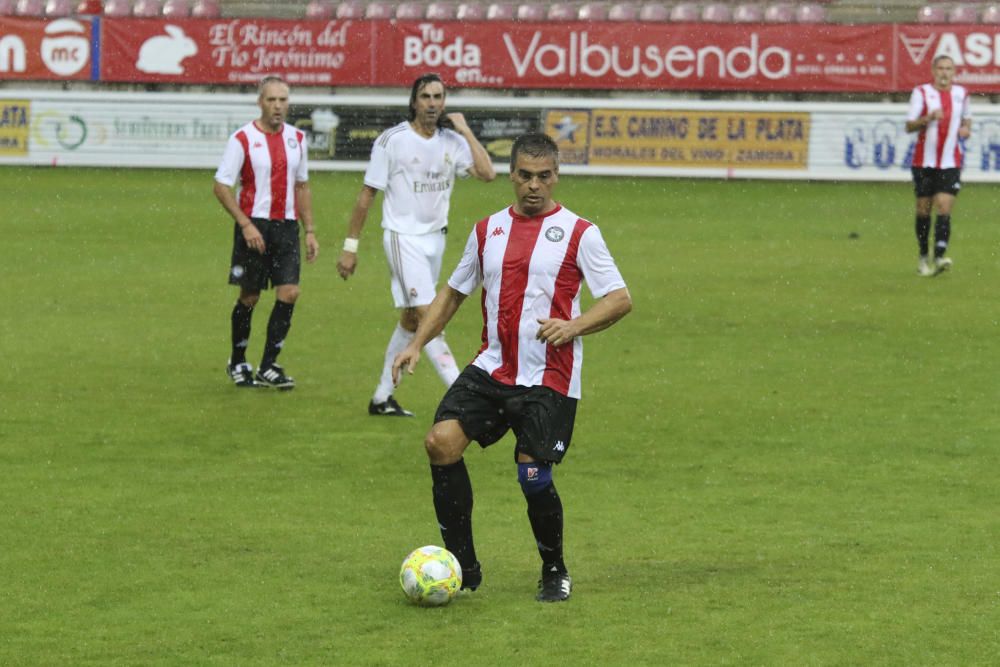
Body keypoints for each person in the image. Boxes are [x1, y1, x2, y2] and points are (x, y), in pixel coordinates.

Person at [391, 133, 632, 602]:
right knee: (439, 443)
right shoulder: (486, 231)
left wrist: (574, 326)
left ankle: (554, 569)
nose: (534, 186)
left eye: (544, 176)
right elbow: (455, 292)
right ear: (512, 175)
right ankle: (463, 567)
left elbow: (620, 299)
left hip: (549, 376)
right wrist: (416, 343)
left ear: (556, 176)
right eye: (525, 175)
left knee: (532, 476)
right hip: (493, 367)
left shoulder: (582, 233)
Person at [336, 73, 496, 416]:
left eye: (438, 96)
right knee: (429, 315)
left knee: (412, 320)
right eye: (426, 96)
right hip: (401, 237)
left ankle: (381, 397)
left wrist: (465, 131)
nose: (433, 103)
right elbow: (368, 194)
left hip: (434, 241)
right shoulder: (392, 141)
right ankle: (463, 395)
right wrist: (351, 246)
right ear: (414, 102)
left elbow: (487, 173)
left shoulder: (452, 141)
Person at [213, 75, 319, 389]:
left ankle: (269, 365)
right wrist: (245, 224)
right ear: (260, 102)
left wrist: (309, 230)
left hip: (286, 227)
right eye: (271, 100)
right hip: (254, 225)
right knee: (249, 296)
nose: (277, 106)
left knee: (290, 292)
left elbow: (302, 185)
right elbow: (221, 186)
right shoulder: (243, 138)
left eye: (283, 100)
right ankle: (238, 359)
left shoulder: (298, 138)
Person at [905, 54, 971, 277]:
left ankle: (940, 256)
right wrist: (928, 118)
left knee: (944, 206)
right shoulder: (921, 92)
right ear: (934, 70)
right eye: (941, 68)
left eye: (949, 69)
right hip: (924, 162)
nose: (945, 72)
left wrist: (966, 129)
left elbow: (966, 119)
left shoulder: (962, 94)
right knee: (923, 210)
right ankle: (923, 256)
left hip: (951, 162)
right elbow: (909, 126)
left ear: (954, 72)